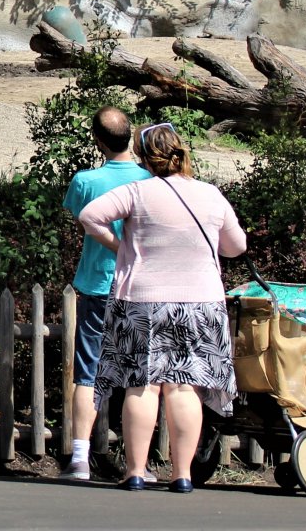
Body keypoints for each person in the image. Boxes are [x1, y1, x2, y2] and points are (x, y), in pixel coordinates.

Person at [78, 122, 246, 493]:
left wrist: (121, 247)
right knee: (185, 388)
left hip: (143, 301)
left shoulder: (137, 192)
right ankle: (182, 475)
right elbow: (236, 247)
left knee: (142, 386)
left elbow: (90, 216)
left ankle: (135, 471)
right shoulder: (210, 194)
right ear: (181, 150)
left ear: (143, 156)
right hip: (200, 303)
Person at [60, 107, 150, 481]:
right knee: (138, 376)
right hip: (140, 287)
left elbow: (78, 216)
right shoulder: (151, 180)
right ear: (130, 136)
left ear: (97, 140)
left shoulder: (85, 181)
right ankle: (137, 464)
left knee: (88, 372)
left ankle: (79, 458)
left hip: (97, 285)